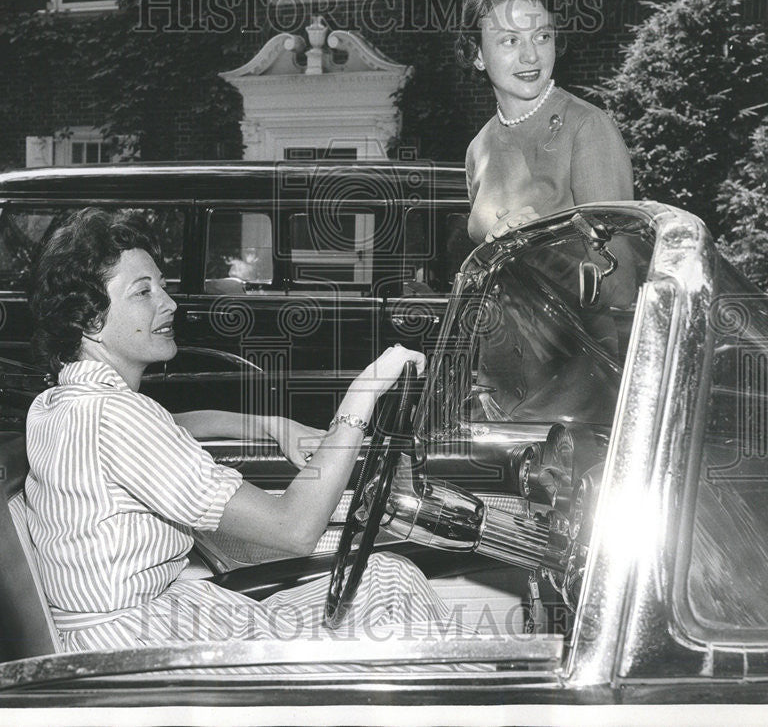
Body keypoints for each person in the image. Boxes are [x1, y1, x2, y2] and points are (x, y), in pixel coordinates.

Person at [24, 208, 454, 651]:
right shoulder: (115, 418)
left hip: (152, 627)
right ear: (90, 319)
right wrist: (365, 391)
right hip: (145, 650)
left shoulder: (62, 405)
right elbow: (295, 529)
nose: (169, 303)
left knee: (390, 579)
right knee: (392, 586)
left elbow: (178, 426)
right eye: (142, 292)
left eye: (163, 288)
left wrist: (270, 425)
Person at [456, 0, 634, 244]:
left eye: (542, 37)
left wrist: (537, 244)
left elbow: (615, 265)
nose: (530, 56)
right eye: (510, 40)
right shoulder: (478, 149)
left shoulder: (586, 128)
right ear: (477, 54)